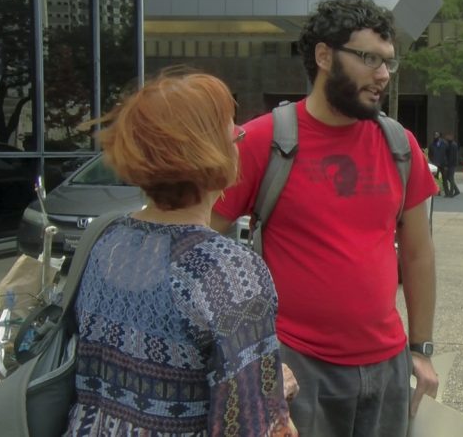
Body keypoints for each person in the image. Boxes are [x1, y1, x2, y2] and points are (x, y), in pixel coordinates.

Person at [211, 0, 440, 437]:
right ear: (323, 56)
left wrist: (421, 347)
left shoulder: (399, 145)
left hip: (387, 366)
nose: (383, 75)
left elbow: (417, 255)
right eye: (369, 58)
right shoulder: (264, 141)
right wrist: (249, 351)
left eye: (388, 62)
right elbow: (203, 246)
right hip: (296, 367)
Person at [64, 71, 297, 436]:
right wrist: (274, 394)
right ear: (209, 151)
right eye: (232, 132)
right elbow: (251, 426)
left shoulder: (106, 241)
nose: (239, 139)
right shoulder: (228, 270)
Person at [443, 133, 460, 197]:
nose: (447, 137)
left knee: (450, 178)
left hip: (451, 164)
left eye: (449, 136)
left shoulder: (452, 145)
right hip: (452, 164)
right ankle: (456, 190)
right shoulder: (451, 144)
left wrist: (447, 165)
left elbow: (451, 156)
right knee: (449, 178)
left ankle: (451, 193)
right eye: (447, 136)